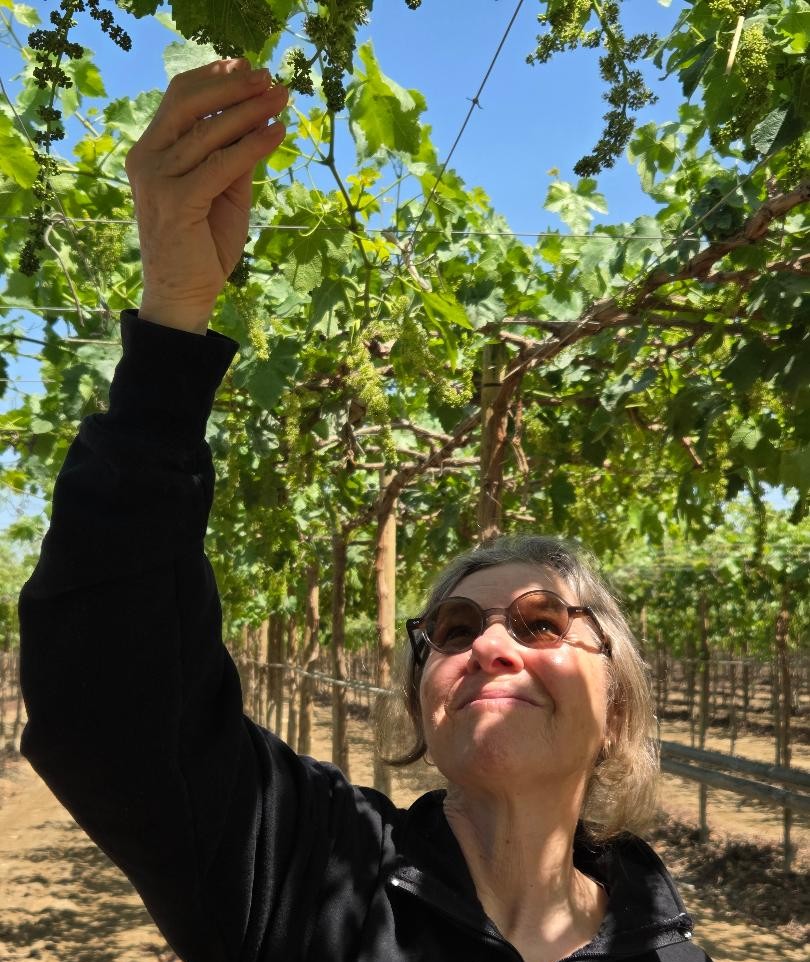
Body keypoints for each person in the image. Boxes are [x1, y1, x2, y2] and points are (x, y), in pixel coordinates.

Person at [19, 59, 712, 962]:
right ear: (422, 707)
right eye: (454, 630)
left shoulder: (670, 954)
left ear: (618, 704)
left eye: (542, 625)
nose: (490, 644)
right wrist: (173, 321)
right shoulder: (310, 867)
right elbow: (107, 705)